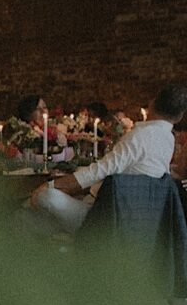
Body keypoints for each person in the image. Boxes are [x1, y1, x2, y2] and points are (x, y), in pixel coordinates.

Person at [31, 85, 187, 233]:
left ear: (152, 104)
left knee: (46, 196)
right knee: (38, 221)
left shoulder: (139, 137)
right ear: (179, 116)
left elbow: (100, 171)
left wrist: (49, 185)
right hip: (136, 221)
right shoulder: (168, 138)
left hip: (102, 220)